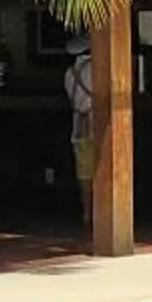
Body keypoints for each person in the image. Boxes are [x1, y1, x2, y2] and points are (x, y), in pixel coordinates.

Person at [65, 41, 95, 210]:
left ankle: (86, 210)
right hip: (96, 121)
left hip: (78, 124)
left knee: (83, 170)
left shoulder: (69, 73)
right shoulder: (96, 69)